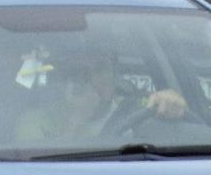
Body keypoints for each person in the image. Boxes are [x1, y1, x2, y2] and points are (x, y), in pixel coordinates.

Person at [15, 50, 188, 143]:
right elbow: (39, 172)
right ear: (67, 79)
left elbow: (184, 123)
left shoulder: (137, 111)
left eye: (101, 69)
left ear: (114, 74)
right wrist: (79, 118)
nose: (94, 79)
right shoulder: (36, 121)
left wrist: (174, 103)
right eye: (80, 72)